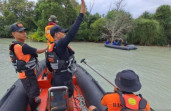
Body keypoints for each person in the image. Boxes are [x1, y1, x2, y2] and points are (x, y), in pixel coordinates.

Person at [46, 0, 86, 111]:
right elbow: (73, 32)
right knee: (69, 99)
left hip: (56, 78)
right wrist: (81, 14)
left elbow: (49, 67)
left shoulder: (50, 48)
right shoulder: (61, 44)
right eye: (63, 32)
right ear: (57, 34)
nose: (65, 34)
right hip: (65, 79)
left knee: (57, 102)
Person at [9, 23, 47, 111]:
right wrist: (48, 47)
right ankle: (34, 109)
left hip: (23, 75)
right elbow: (39, 51)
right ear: (13, 34)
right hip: (28, 75)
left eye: (24, 31)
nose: (24, 33)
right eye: (20, 32)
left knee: (31, 92)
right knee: (34, 95)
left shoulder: (13, 45)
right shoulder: (23, 47)